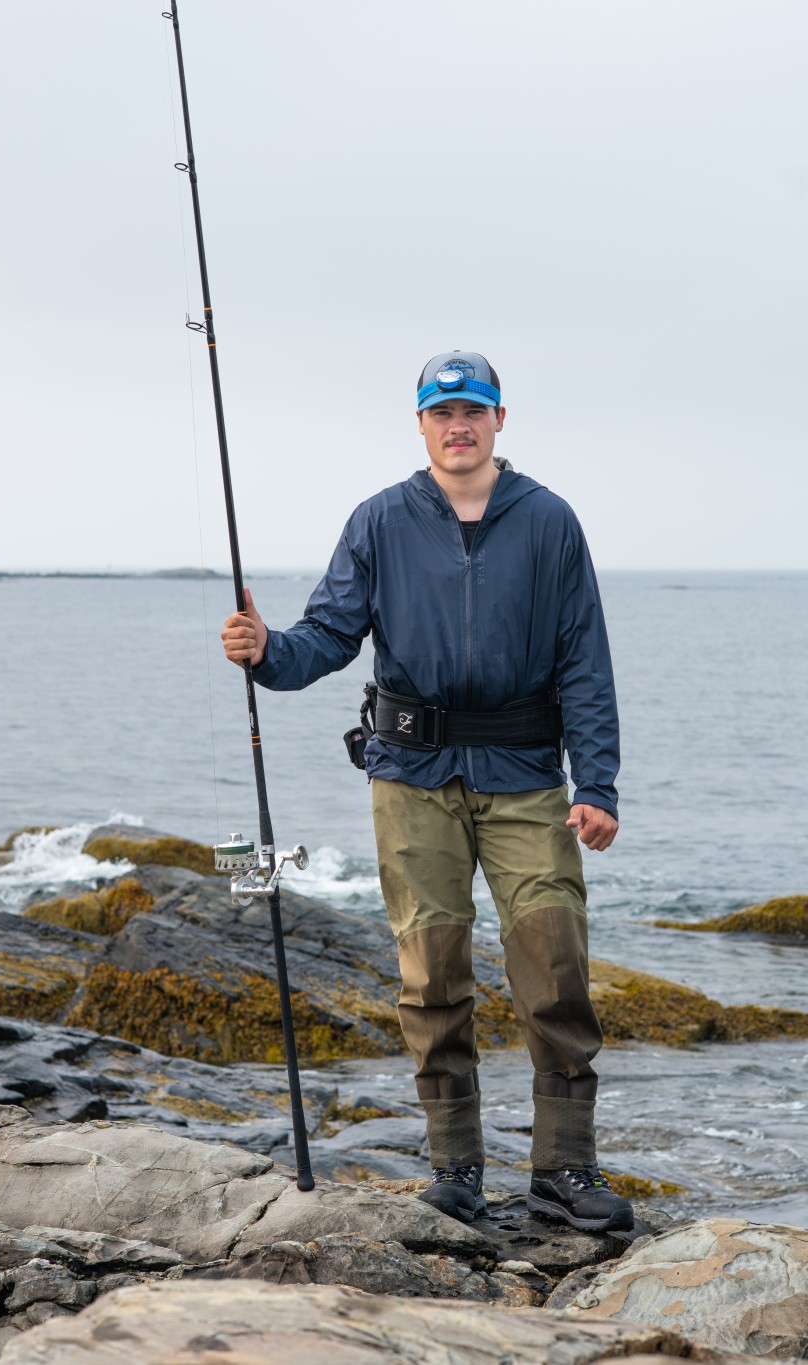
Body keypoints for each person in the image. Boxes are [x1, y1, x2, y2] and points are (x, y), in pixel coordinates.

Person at [220, 350, 633, 1234]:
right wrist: (266, 650)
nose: (458, 426)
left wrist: (596, 781)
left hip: (528, 781)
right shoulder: (380, 521)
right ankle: (457, 1170)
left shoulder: (551, 521)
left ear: (499, 419)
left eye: (473, 411)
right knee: (432, 977)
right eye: (442, 411)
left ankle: (563, 1170)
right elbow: (326, 636)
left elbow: (584, 663)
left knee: (556, 971)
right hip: (412, 781)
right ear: (420, 423)